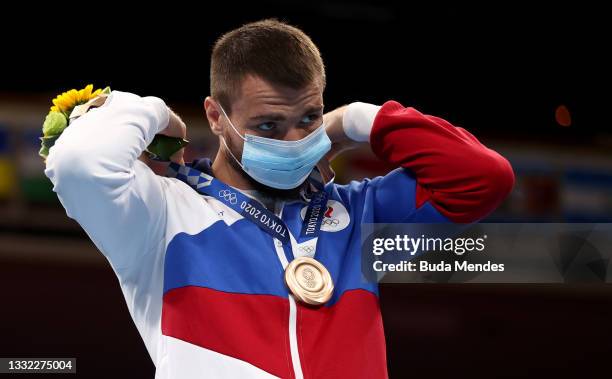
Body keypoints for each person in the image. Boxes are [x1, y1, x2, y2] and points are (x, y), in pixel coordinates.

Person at [44, 19, 514, 379]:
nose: (292, 141)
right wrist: (159, 115)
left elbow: (483, 178)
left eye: (308, 119)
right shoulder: (161, 214)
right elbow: (79, 163)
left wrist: (352, 122)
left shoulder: (358, 213)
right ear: (216, 116)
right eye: (268, 126)